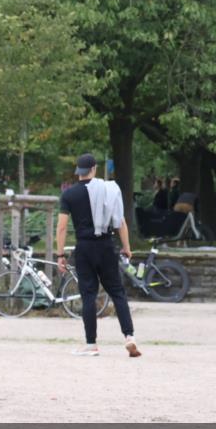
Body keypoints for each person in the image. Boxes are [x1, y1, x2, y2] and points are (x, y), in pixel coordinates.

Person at [56, 153, 141, 357]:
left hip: (84, 247)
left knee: (88, 295)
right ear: (94, 169)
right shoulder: (107, 190)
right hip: (105, 245)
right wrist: (126, 247)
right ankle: (129, 336)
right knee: (117, 292)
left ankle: (91, 344)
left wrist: (60, 254)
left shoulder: (69, 195)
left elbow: (62, 227)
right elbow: (120, 221)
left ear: (78, 171)